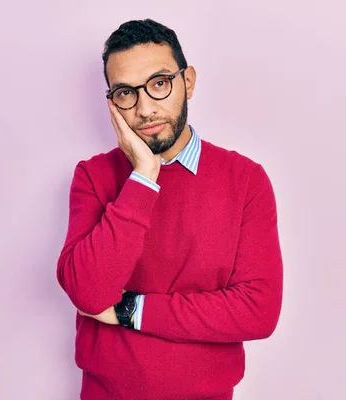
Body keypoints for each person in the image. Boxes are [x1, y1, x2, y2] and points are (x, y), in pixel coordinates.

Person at [56, 18, 283, 400]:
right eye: (126, 92)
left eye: (159, 84)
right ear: (112, 102)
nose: (145, 109)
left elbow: (258, 309)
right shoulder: (93, 177)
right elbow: (89, 293)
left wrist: (132, 309)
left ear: (188, 82)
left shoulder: (245, 180)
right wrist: (145, 176)